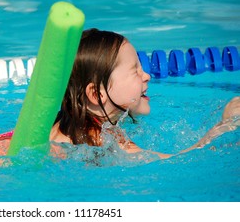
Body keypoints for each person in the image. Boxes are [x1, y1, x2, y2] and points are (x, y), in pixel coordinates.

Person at [50, 28, 240, 159]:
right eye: (135, 71)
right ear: (97, 94)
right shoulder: (105, 137)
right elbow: (173, 161)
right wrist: (225, 125)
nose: (147, 76)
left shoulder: (55, 123)